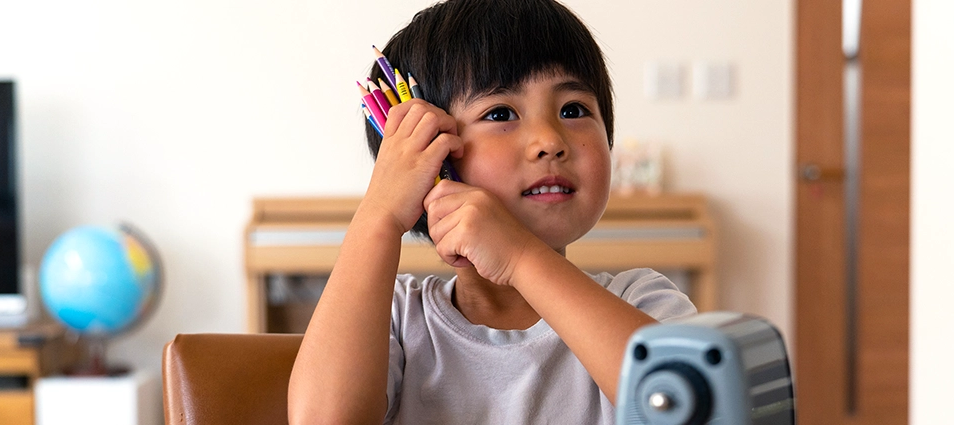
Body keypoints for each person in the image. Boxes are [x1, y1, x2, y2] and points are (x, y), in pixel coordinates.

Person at [288, 0, 696, 423]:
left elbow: (683, 402)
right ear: (432, 161)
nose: (549, 140)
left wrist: (519, 258)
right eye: (500, 113)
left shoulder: (643, 302)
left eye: (572, 109)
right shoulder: (396, 319)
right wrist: (380, 215)